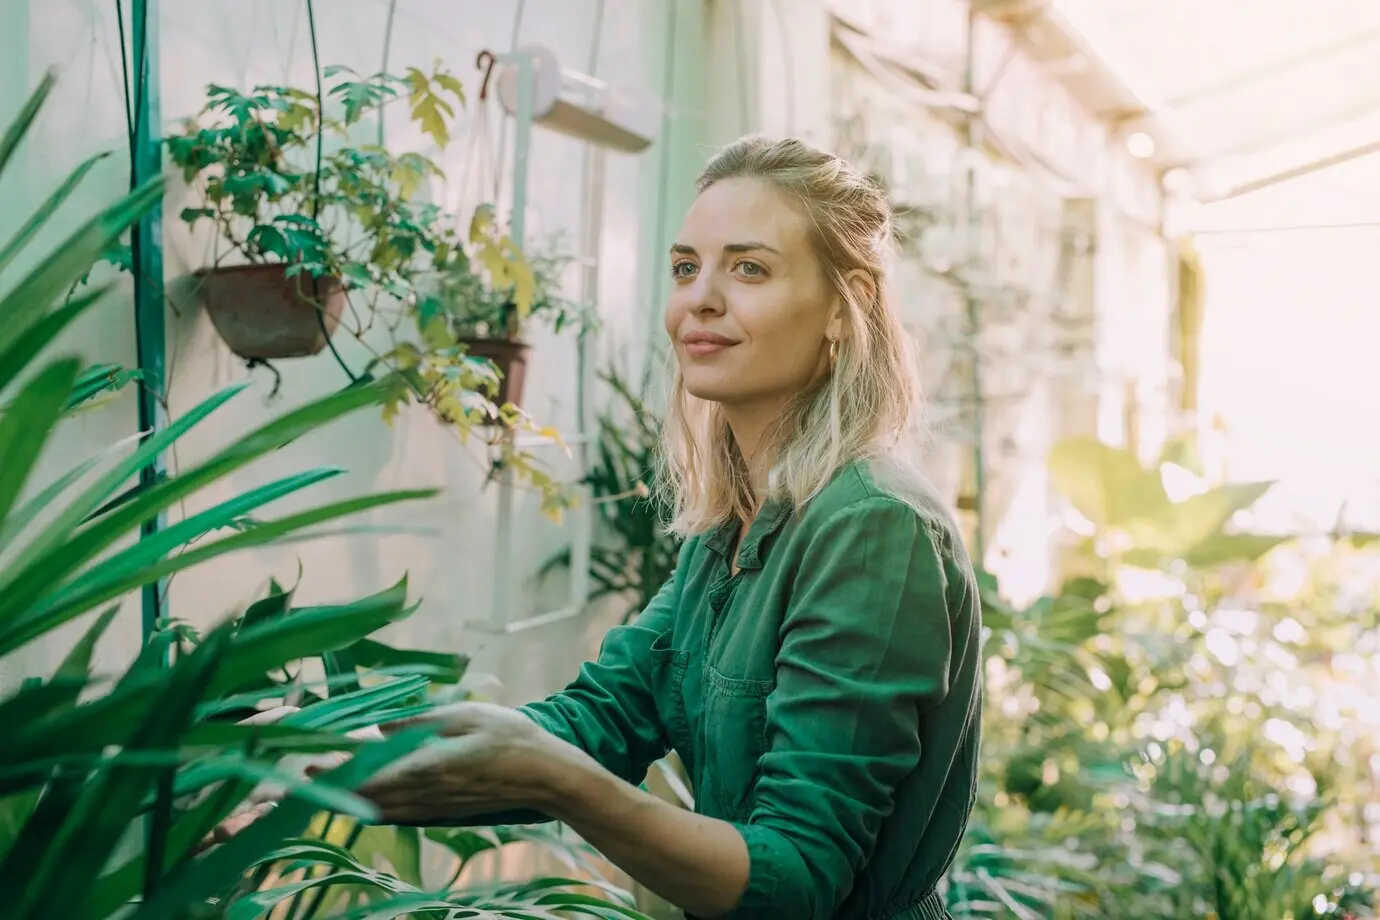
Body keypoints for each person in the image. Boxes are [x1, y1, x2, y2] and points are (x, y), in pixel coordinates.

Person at [256, 136, 984, 920]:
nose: (699, 299)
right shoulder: (737, 529)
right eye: (684, 268)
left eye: (749, 268)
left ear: (846, 309)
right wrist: (331, 749)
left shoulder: (870, 525)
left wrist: (558, 779)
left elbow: (797, 878)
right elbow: (597, 722)